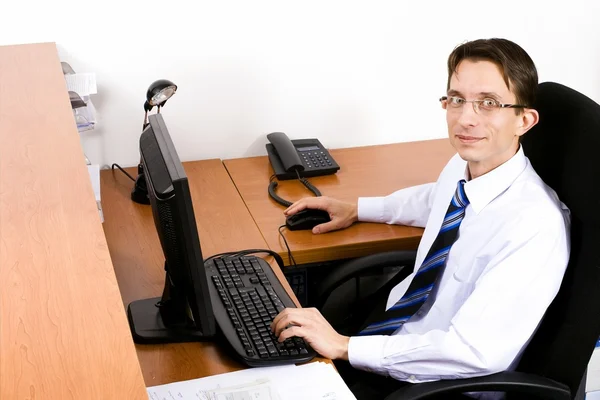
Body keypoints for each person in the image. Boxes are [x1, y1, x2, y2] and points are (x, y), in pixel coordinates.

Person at [270, 38, 571, 399]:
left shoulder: (533, 226)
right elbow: (434, 200)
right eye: (456, 99)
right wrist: (358, 208)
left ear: (524, 119)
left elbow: (474, 353)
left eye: (488, 104)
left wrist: (345, 347)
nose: (465, 118)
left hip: (437, 384)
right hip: (393, 335)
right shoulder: (466, 165)